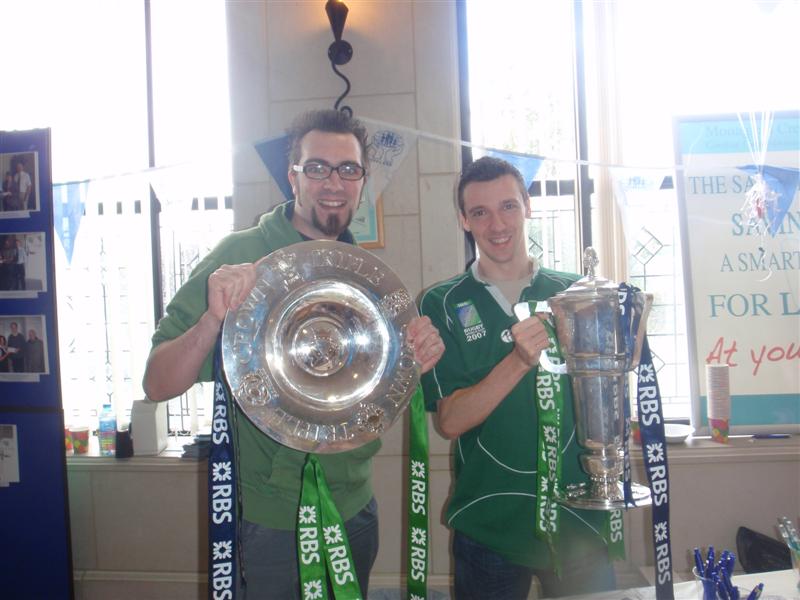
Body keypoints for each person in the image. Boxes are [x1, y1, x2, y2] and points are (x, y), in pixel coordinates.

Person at [143, 109, 444, 600]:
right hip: (270, 521)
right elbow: (157, 383)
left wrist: (418, 354)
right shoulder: (238, 257)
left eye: (348, 169)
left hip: (355, 510)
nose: (334, 182)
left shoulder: (364, 274)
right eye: (317, 167)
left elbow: (381, 388)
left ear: (363, 181)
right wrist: (213, 320)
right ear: (293, 177)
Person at [419, 157, 615, 599]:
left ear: (528, 205)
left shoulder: (576, 294)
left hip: (578, 516)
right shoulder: (442, 303)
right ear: (463, 221)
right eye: (480, 212)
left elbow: (609, 395)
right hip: (490, 523)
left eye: (508, 206)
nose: (497, 224)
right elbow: (450, 421)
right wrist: (518, 360)